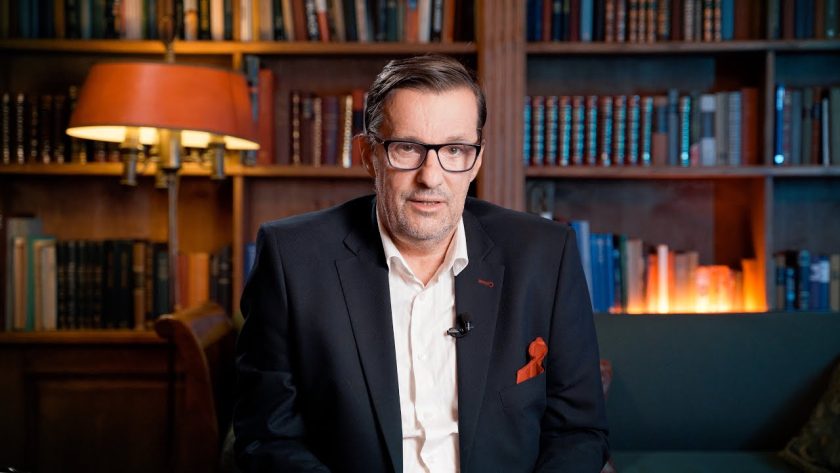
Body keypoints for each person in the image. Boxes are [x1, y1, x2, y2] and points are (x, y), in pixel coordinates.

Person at [233, 55, 609, 473]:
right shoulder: (292, 259)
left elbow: (579, 432)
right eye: (407, 148)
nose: (431, 177)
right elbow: (266, 438)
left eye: (455, 150)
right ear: (369, 155)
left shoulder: (545, 254)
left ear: (476, 161)